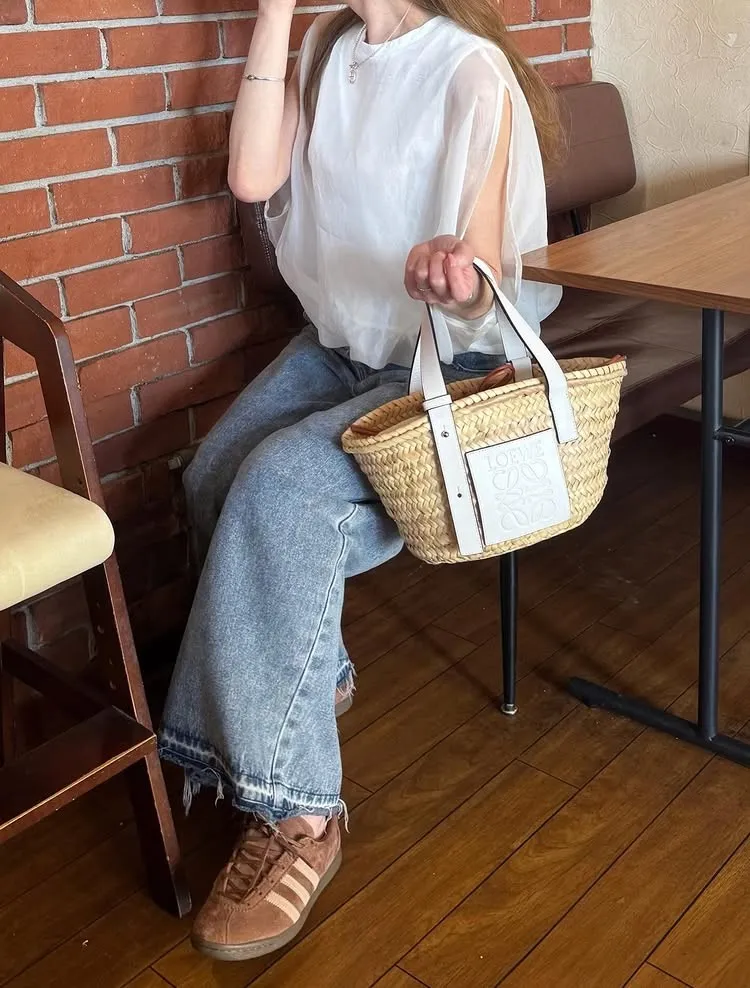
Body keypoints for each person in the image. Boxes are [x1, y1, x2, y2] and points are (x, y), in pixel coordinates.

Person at [158, 0, 563, 962]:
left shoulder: (470, 71)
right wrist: (274, 14)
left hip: (449, 365)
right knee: (211, 477)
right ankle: (311, 677)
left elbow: (489, 277)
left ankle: (300, 814)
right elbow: (252, 178)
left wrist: (455, 279)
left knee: (279, 493)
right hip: (343, 347)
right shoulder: (323, 47)